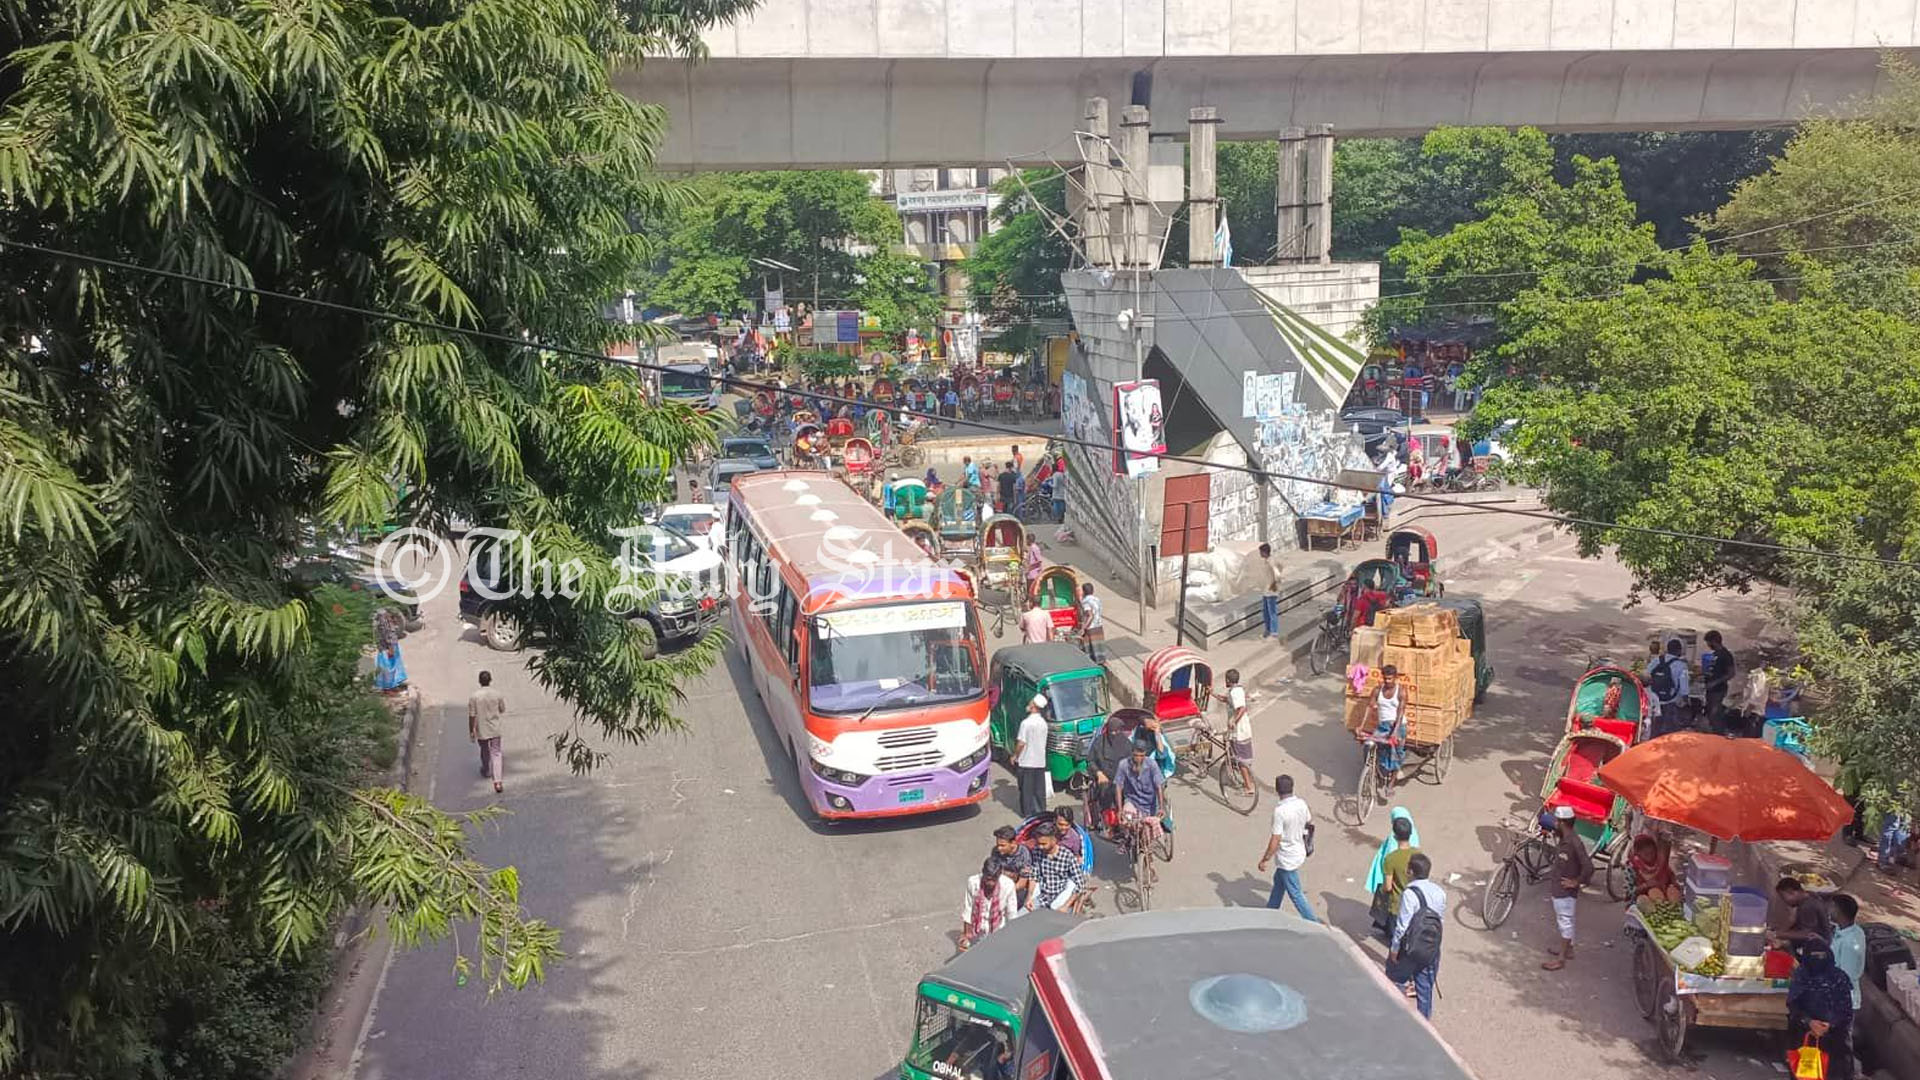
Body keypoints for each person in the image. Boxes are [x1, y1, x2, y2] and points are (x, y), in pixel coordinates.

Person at [1787, 940, 1857, 1080]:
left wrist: (1829, 1025)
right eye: (1814, 956)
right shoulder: (1801, 976)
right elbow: (1793, 1006)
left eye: (1821, 956)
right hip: (1805, 1041)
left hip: (1835, 1043)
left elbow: (1847, 1010)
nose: (1818, 960)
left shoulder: (1839, 978)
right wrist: (1809, 1022)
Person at [1386, 853, 1445, 1019]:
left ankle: (1395, 1017)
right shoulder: (1439, 892)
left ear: (1410, 871)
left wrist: (1394, 949)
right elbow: (1440, 921)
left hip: (1409, 948)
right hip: (1431, 947)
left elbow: (1402, 926)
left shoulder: (1410, 894)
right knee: (1425, 990)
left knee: (1394, 980)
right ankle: (1424, 1026)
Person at [1257, 774, 1318, 922]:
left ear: (1277, 790)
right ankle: (1270, 912)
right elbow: (1309, 821)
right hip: (1299, 851)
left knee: (1295, 894)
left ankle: (1313, 923)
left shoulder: (1280, 811)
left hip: (1287, 858)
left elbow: (1275, 839)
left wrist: (1264, 859)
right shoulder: (1301, 804)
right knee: (1279, 882)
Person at [1542, 804, 1593, 970]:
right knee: (1565, 920)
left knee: (1565, 922)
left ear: (1563, 823)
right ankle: (1568, 949)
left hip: (1565, 892)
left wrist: (1576, 882)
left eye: (1557, 821)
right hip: (1559, 889)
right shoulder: (1566, 839)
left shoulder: (1574, 843)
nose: (1554, 824)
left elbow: (1588, 867)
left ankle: (1561, 959)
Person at [1368, 807, 1421, 936]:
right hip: (1413, 902)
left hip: (1395, 905)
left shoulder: (1391, 858)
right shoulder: (1418, 854)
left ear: (1395, 834)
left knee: (1395, 935)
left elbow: (1387, 886)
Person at [1112, 737, 1167, 856]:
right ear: (1132, 753)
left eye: (1141, 756)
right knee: (1126, 820)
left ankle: (1149, 861)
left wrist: (1161, 807)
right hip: (1132, 800)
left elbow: (1159, 785)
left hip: (1150, 802)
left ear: (1145, 754)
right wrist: (1120, 810)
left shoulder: (1151, 764)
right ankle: (1127, 839)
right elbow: (1118, 786)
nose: (1138, 759)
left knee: (1148, 835)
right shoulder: (1123, 765)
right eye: (1136, 755)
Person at [1085, 713, 1135, 837]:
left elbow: (1133, 761)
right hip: (1105, 779)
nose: (1114, 734)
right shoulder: (1099, 742)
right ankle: (1109, 822)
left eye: (1117, 731)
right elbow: (1090, 761)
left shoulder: (1126, 743)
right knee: (1105, 790)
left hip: (1123, 779)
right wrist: (1098, 773)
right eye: (1112, 731)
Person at [958, 856, 1019, 951]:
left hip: (998, 930)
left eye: (994, 880)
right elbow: (969, 908)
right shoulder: (973, 882)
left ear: (999, 875)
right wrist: (967, 934)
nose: (990, 883)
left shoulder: (1008, 886)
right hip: (978, 930)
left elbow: (1011, 913)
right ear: (983, 873)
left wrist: (1012, 938)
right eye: (987, 879)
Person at [1360, 664, 1407, 777]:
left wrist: (1395, 732)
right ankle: (1371, 770)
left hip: (1398, 725)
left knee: (1396, 754)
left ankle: (1390, 784)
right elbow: (1369, 707)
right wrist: (1361, 726)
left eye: (1390, 678)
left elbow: (1400, 713)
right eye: (1385, 678)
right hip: (1383, 726)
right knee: (1368, 745)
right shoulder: (1377, 690)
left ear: (1395, 678)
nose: (1387, 681)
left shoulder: (1401, 692)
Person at [1028, 821, 1086, 912]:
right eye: (1038, 844)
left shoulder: (1067, 856)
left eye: (1044, 844)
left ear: (1054, 840)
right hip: (1042, 897)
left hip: (1061, 898)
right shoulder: (1037, 852)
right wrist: (1029, 898)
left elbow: (1080, 884)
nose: (1040, 847)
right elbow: (1034, 876)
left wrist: (1066, 906)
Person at [468, 670, 507, 794]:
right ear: (490, 680)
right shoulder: (497, 694)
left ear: (479, 681)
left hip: (482, 729)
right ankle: (498, 782)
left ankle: (486, 770)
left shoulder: (474, 697)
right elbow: (502, 709)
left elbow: (472, 715)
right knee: (496, 753)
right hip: (495, 728)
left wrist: (472, 731)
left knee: (485, 750)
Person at [1774, 876, 1834, 952]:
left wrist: (1778, 934)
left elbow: (1807, 934)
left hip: (1820, 942)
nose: (1784, 901)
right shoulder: (1808, 895)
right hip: (1816, 931)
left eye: (1783, 897)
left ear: (1792, 892)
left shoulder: (1807, 907)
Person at [1219, 669, 1255, 795]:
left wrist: (1234, 720)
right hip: (1243, 730)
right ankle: (1237, 778)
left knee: (1241, 760)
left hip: (1239, 731)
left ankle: (1248, 786)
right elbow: (1227, 700)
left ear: (1228, 680)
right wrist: (1213, 694)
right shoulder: (1238, 690)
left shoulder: (1235, 692)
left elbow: (1241, 708)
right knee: (1239, 756)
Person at [1014, 694, 1050, 818]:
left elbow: (1021, 743)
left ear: (1034, 706)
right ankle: (1040, 812)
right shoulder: (1044, 724)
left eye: (1030, 703)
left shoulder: (1026, 723)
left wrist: (1015, 756)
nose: (1028, 705)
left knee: (1026, 791)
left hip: (1026, 761)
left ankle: (1028, 814)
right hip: (1040, 761)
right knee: (1039, 790)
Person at [1645, 638, 1689, 739]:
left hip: (1655, 699)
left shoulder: (1656, 661)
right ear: (1679, 650)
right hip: (1671, 701)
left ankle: (1652, 744)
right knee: (1670, 730)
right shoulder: (1681, 666)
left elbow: (1646, 676)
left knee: (1654, 727)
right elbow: (1684, 688)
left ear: (1667, 649)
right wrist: (1686, 703)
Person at [1831, 894, 1866, 1014]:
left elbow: (1846, 977)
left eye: (1832, 907)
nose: (1828, 910)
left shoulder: (1849, 944)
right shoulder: (1853, 930)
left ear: (1838, 912)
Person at [1700, 629, 1736, 733]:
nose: (1708, 645)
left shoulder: (1726, 655)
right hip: (1710, 688)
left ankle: (1718, 733)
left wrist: (1715, 682)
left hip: (1718, 689)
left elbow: (1731, 673)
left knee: (1715, 713)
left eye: (1709, 642)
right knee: (1709, 710)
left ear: (1714, 641)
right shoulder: (1715, 654)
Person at [992, 825, 1033, 907]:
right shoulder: (996, 851)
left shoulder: (1024, 855)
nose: (999, 848)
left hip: (1017, 889)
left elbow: (1022, 883)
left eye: (1003, 845)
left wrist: (1004, 893)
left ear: (1013, 843)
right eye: (998, 845)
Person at [1259, 542, 1282, 639]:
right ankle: (1268, 629)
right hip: (1265, 590)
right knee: (1266, 612)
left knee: (1272, 611)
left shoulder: (1271, 562)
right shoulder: (1266, 561)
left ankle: (1274, 631)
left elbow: (1277, 573)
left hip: (1271, 591)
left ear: (1264, 552)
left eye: (1261, 552)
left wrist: (1275, 583)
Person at [1078, 582, 1104, 661]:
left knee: (1089, 649)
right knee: (1099, 648)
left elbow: (1090, 615)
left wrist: (1083, 628)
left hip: (1090, 629)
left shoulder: (1085, 601)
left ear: (1084, 591)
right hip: (1098, 626)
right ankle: (1100, 662)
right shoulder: (1097, 599)